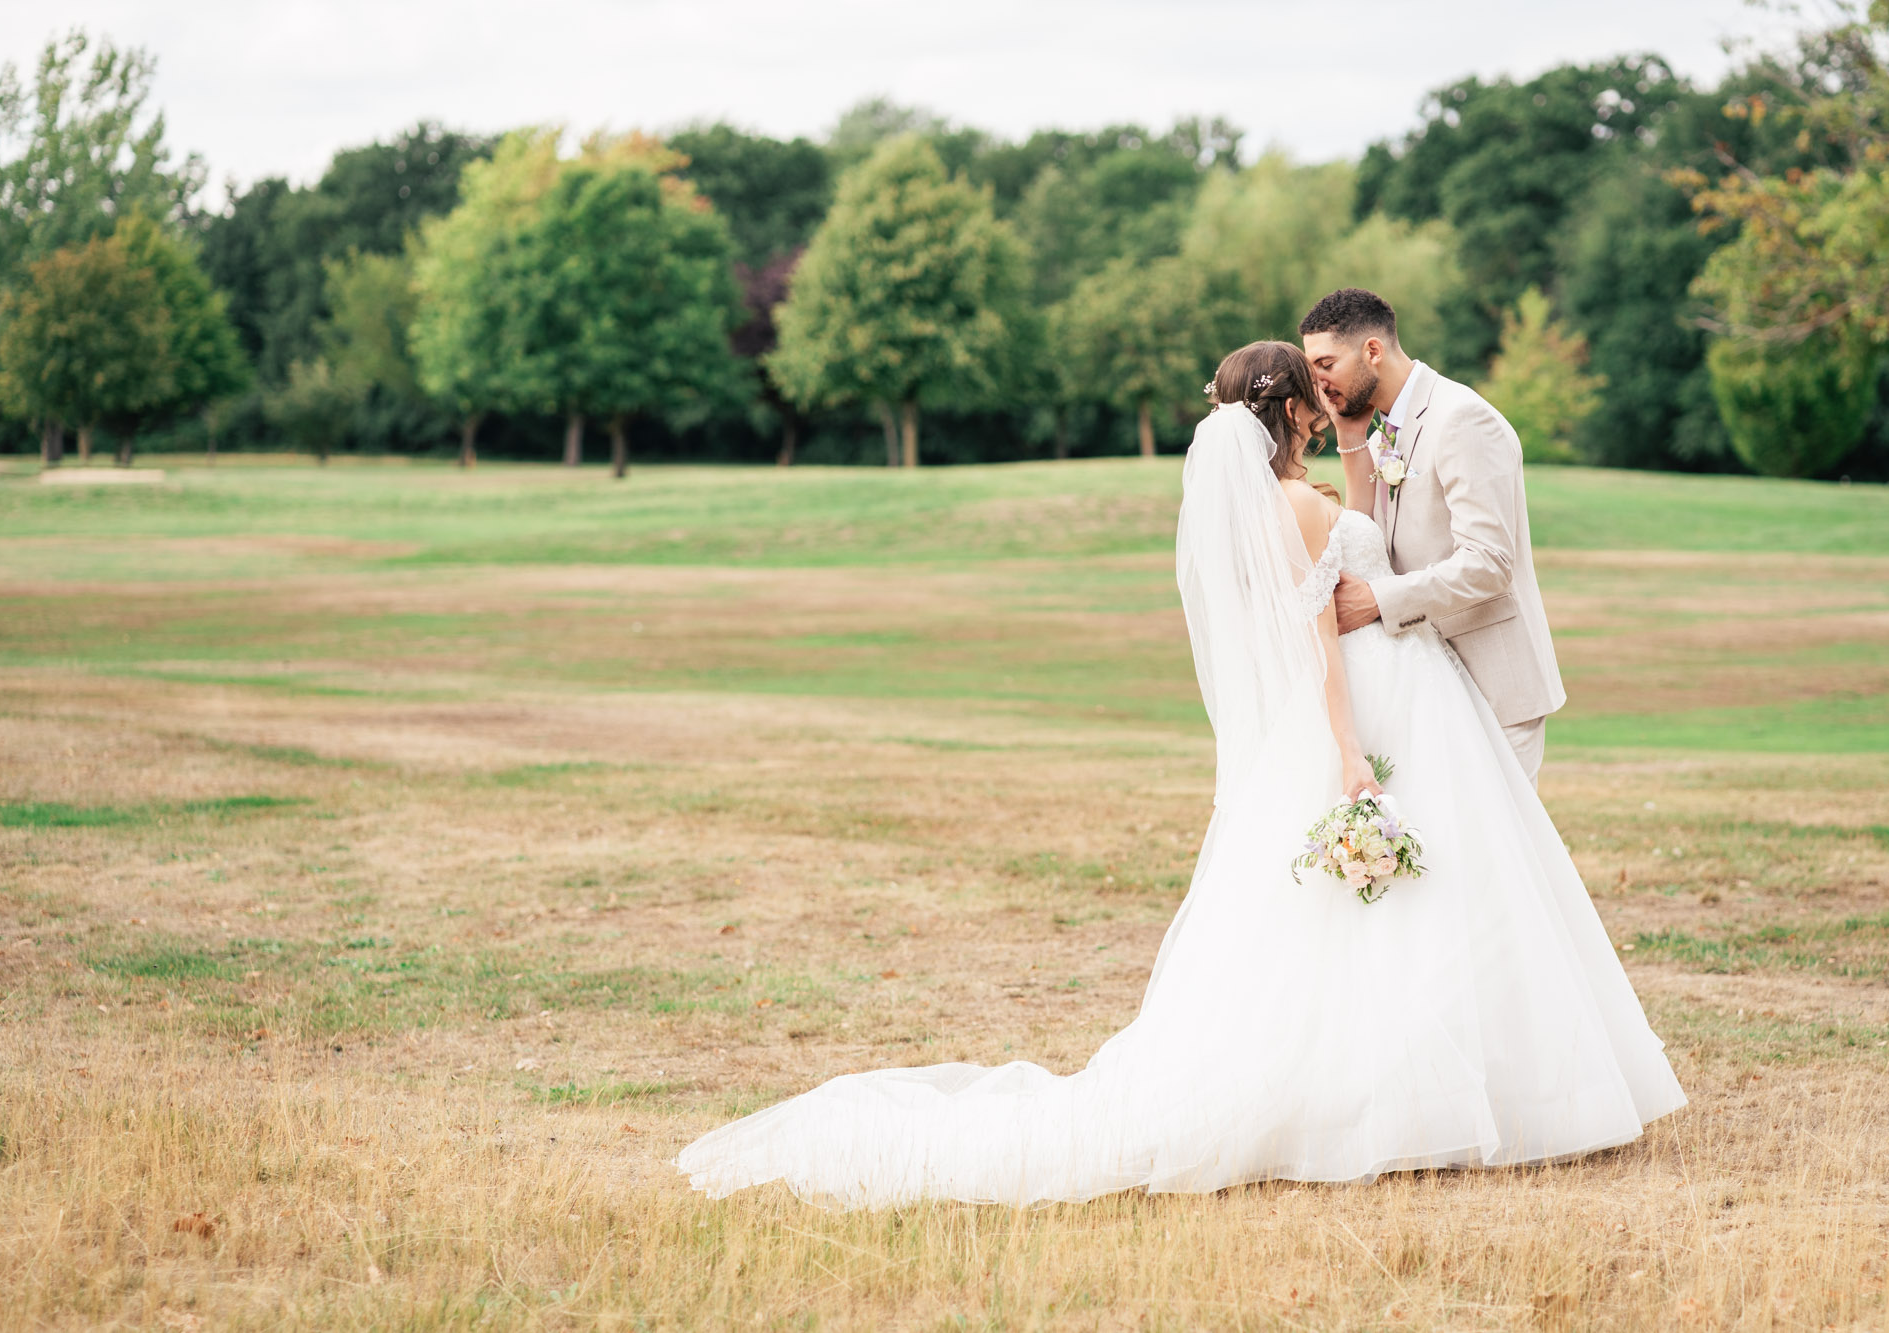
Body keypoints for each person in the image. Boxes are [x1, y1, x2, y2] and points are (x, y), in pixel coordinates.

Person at [674, 341, 1683, 1208]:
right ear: (1288, 407)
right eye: (1312, 391)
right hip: (1369, 704)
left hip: (1401, 698)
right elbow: (1320, 643)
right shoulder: (1293, 509)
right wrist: (1344, 753)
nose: (1327, 401)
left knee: (1398, 905)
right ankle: (1416, 1096)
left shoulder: (1287, 496)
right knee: (1396, 901)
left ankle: (1444, 1088)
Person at [1301, 288, 1564, 785]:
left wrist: (1376, 601)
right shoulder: (1383, 432)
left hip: (1494, 684)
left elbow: (1489, 562)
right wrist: (1350, 438)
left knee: (1499, 855)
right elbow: (1370, 544)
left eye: (1326, 364)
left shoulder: (1462, 418)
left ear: (1372, 351)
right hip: (1428, 685)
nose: (1318, 383)